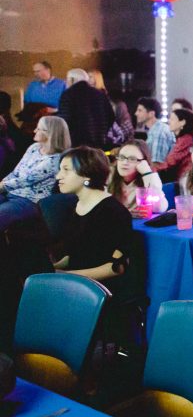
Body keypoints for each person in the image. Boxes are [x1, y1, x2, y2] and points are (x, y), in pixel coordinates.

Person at [52, 148, 134, 296]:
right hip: (76, 282)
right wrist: (53, 268)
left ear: (86, 174)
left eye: (66, 170)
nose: (58, 176)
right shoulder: (75, 205)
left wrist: (68, 276)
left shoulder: (112, 212)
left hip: (99, 292)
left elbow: (116, 267)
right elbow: (78, 254)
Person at [0, 116, 69, 229]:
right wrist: (4, 182)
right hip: (11, 192)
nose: (34, 131)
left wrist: (2, 185)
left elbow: (26, 179)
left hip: (29, 201)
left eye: (39, 128)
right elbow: (16, 172)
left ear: (50, 133)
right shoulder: (34, 147)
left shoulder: (55, 159)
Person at [107, 140, 168, 216]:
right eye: (122, 157)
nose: (124, 162)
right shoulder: (108, 175)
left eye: (132, 159)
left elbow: (160, 208)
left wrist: (147, 173)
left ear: (144, 163)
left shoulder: (149, 178)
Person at [57, 68, 113, 148]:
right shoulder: (99, 94)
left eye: (67, 79)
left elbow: (64, 119)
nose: (66, 82)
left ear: (72, 80)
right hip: (98, 142)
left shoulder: (68, 95)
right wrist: (102, 132)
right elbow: (111, 116)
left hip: (75, 142)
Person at [152, 107, 193, 182]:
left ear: (182, 122)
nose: (169, 121)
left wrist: (149, 168)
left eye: (172, 119)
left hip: (185, 181)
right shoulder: (183, 139)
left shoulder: (186, 140)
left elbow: (170, 162)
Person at [134, 97, 174, 164]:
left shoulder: (158, 132)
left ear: (151, 114)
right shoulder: (155, 130)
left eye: (140, 110)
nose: (136, 113)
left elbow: (157, 164)